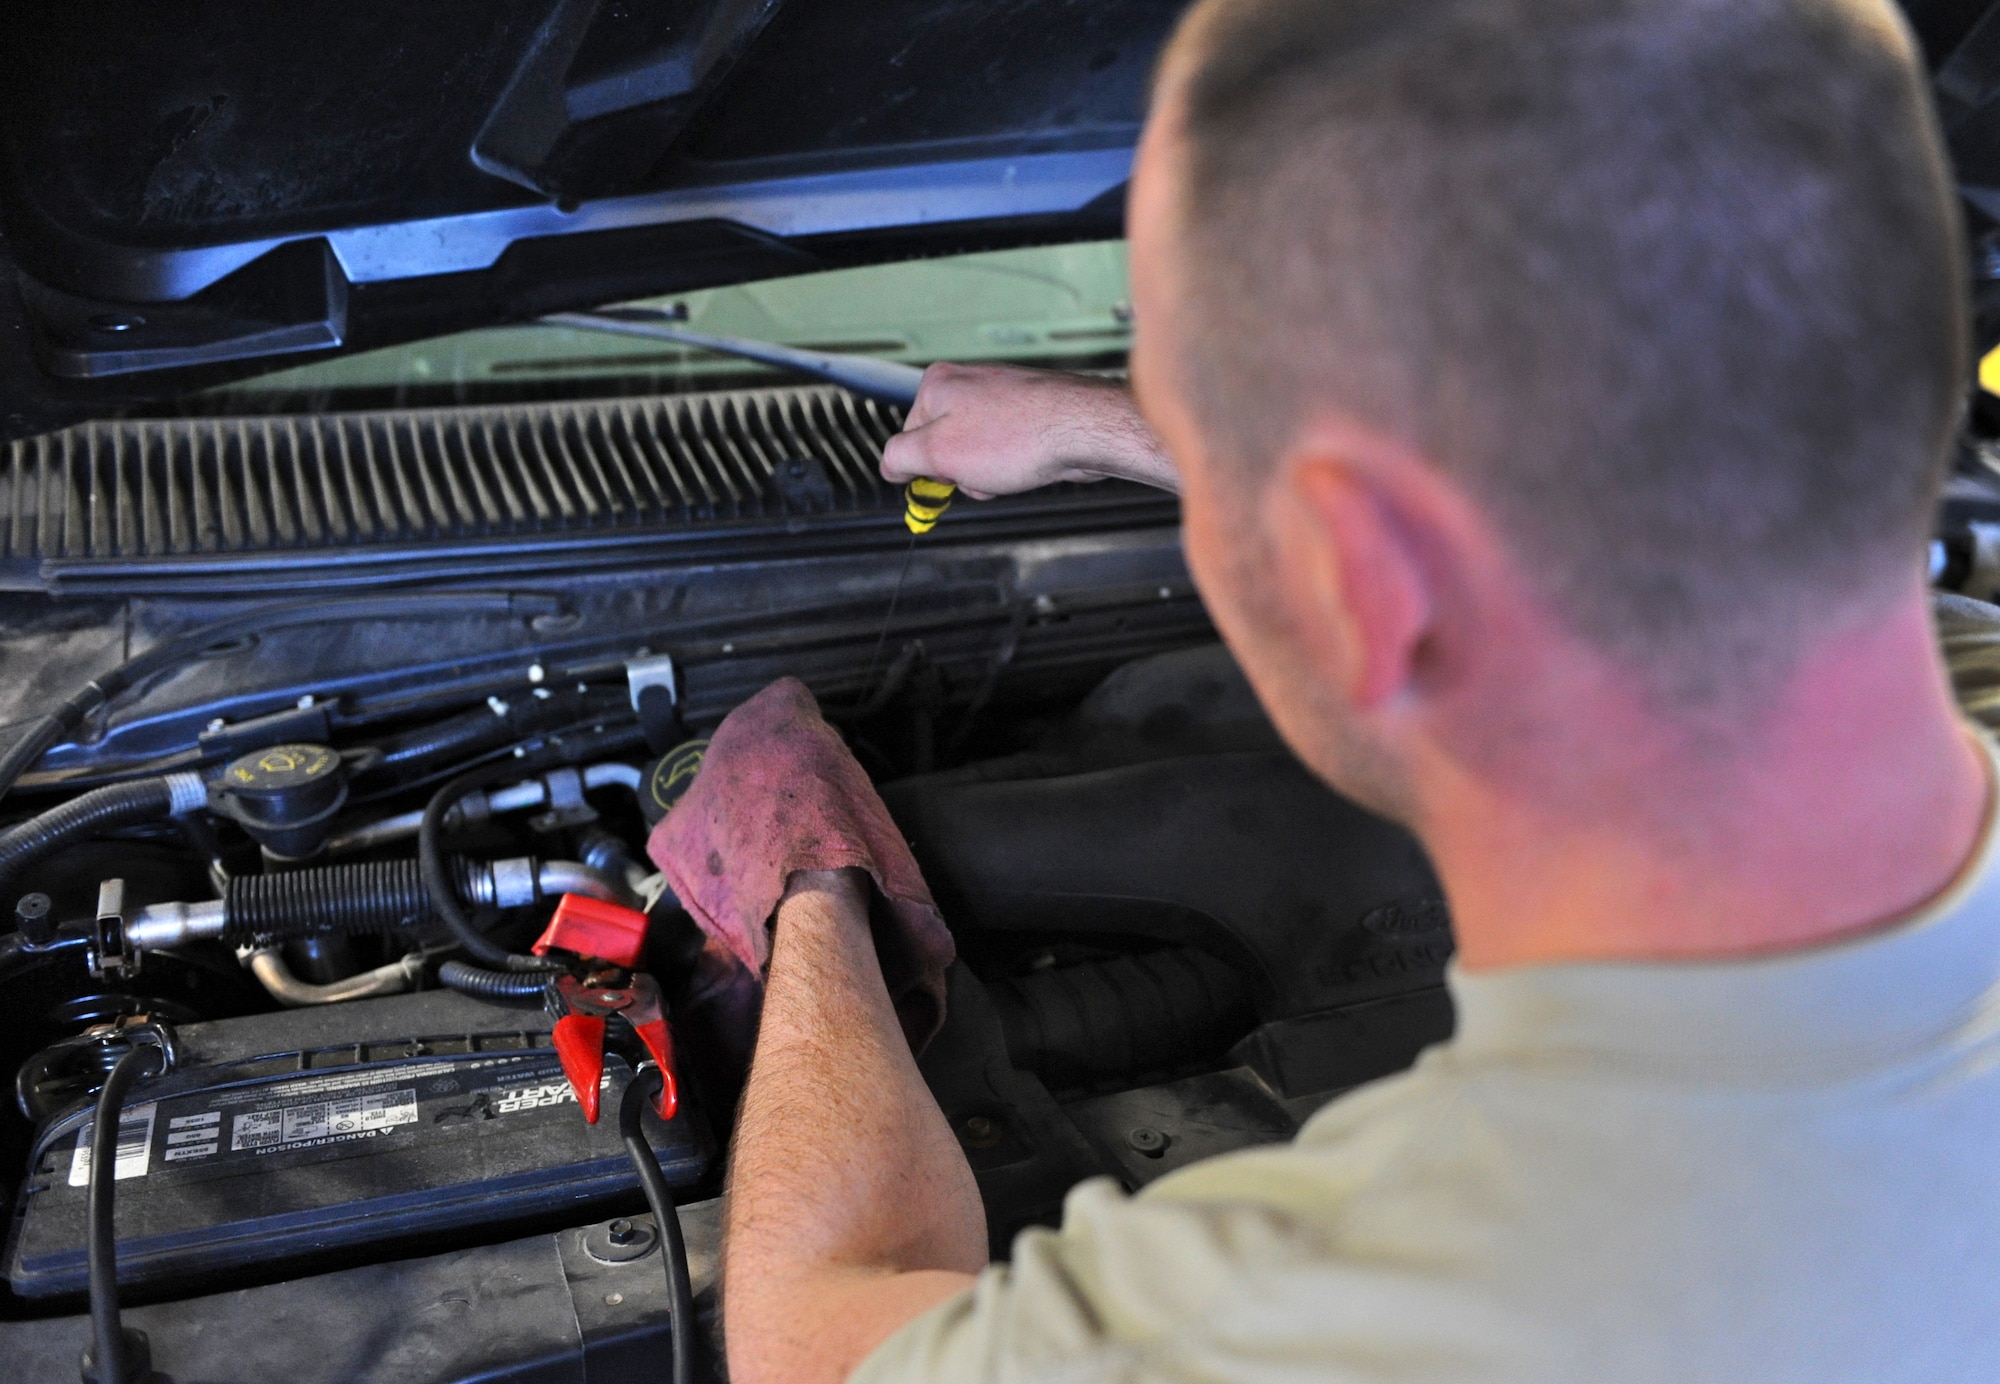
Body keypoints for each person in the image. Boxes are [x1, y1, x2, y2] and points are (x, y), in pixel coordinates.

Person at [707, 0, 2000, 1380]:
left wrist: (813, 884)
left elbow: (807, 1347)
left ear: (1358, 579)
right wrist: (1108, 426)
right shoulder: (1949, 654)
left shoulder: (1386, 1308)